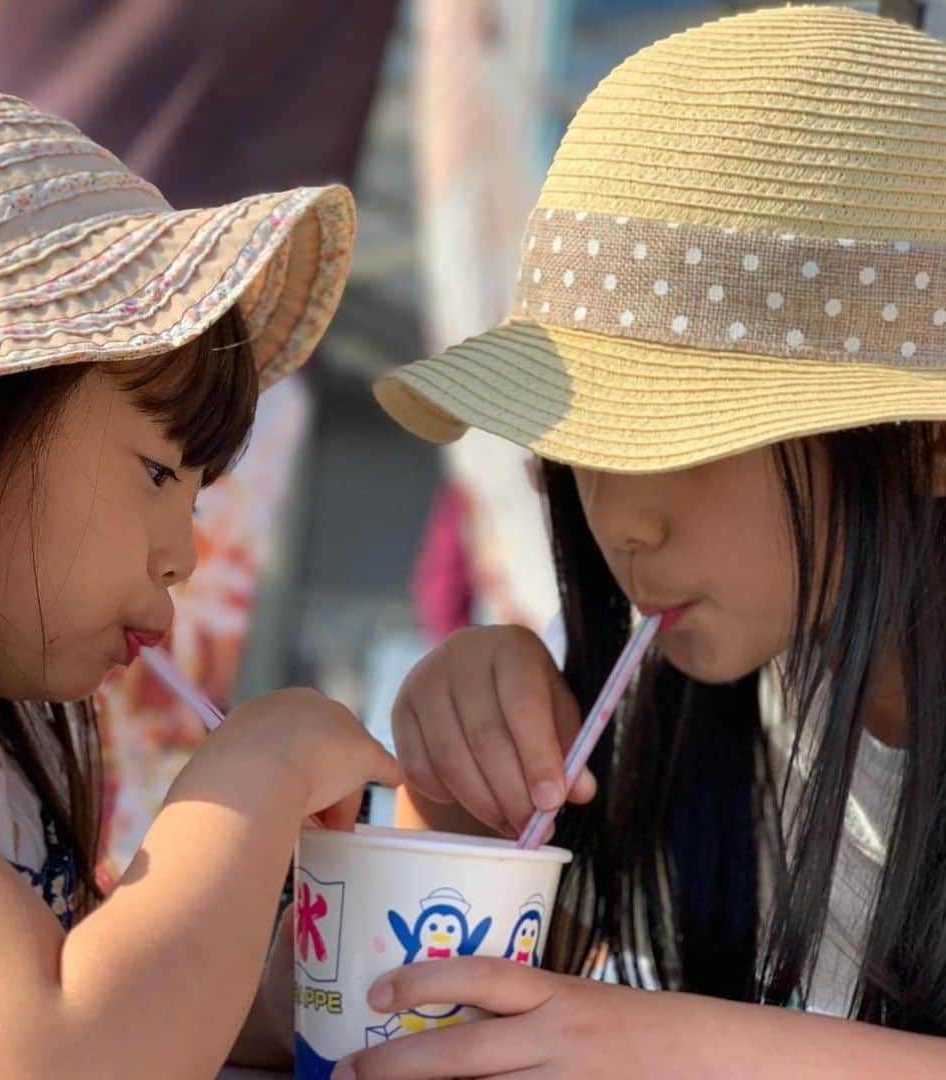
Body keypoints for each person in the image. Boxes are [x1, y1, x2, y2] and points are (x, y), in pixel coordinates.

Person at [346, 6, 946, 1076]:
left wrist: (680, 1044)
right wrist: (461, 806)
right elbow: (400, 1021)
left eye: (684, 435)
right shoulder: (704, 709)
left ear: (926, 445)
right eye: (582, 440)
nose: (621, 518)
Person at [0, 88, 400, 1078]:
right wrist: (255, 775)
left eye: (197, 499)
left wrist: (286, 994)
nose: (183, 556)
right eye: (158, 475)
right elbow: (59, 1054)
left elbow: (108, 1003)